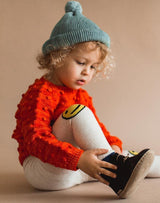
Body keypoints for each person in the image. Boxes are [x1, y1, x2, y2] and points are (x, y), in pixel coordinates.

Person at [12, 1, 156, 199]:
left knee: (131, 159)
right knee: (79, 113)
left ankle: (123, 167)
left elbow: (98, 130)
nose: (87, 72)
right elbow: (35, 140)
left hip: (75, 170)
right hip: (43, 171)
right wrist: (78, 158)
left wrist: (113, 146)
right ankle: (120, 175)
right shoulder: (40, 93)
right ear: (57, 56)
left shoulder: (81, 94)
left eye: (93, 67)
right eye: (81, 63)